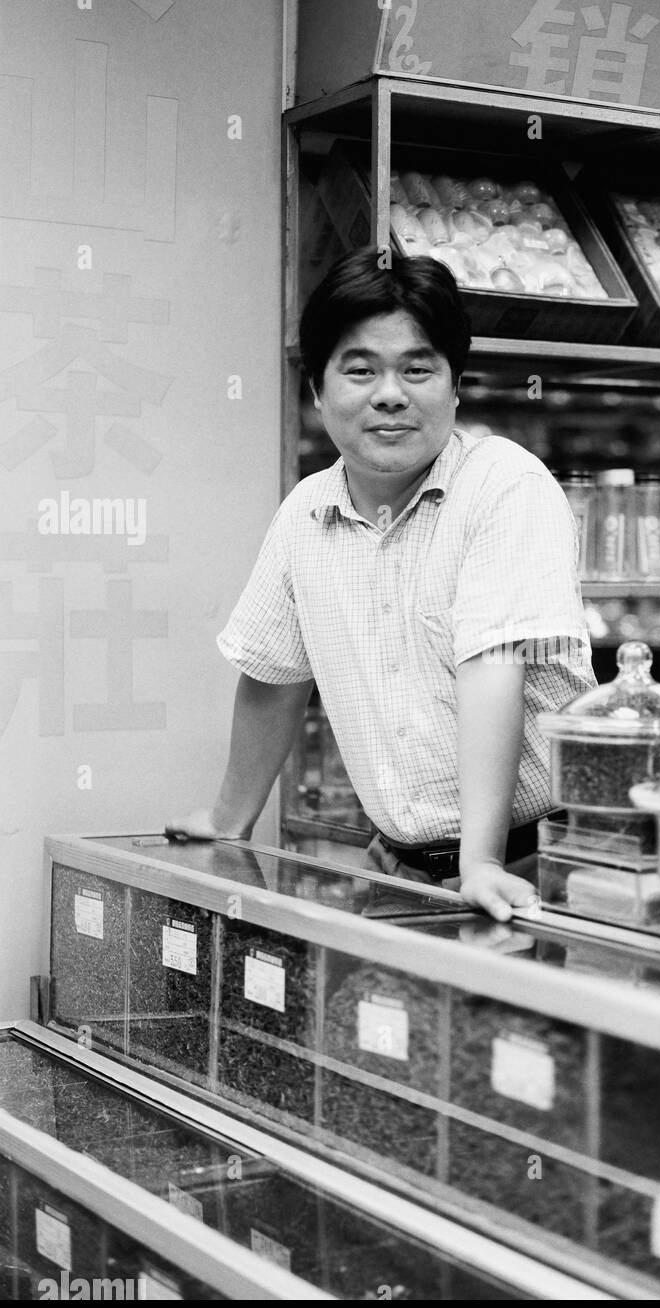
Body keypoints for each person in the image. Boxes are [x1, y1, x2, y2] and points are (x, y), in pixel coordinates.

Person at [166, 248, 596, 921]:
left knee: (530, 1028)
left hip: (549, 858)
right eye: (360, 369)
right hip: (397, 863)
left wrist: (479, 863)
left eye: (417, 369)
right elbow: (273, 675)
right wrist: (228, 821)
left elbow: (493, 669)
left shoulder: (504, 485)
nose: (389, 393)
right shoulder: (305, 512)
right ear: (317, 389)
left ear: (455, 386)